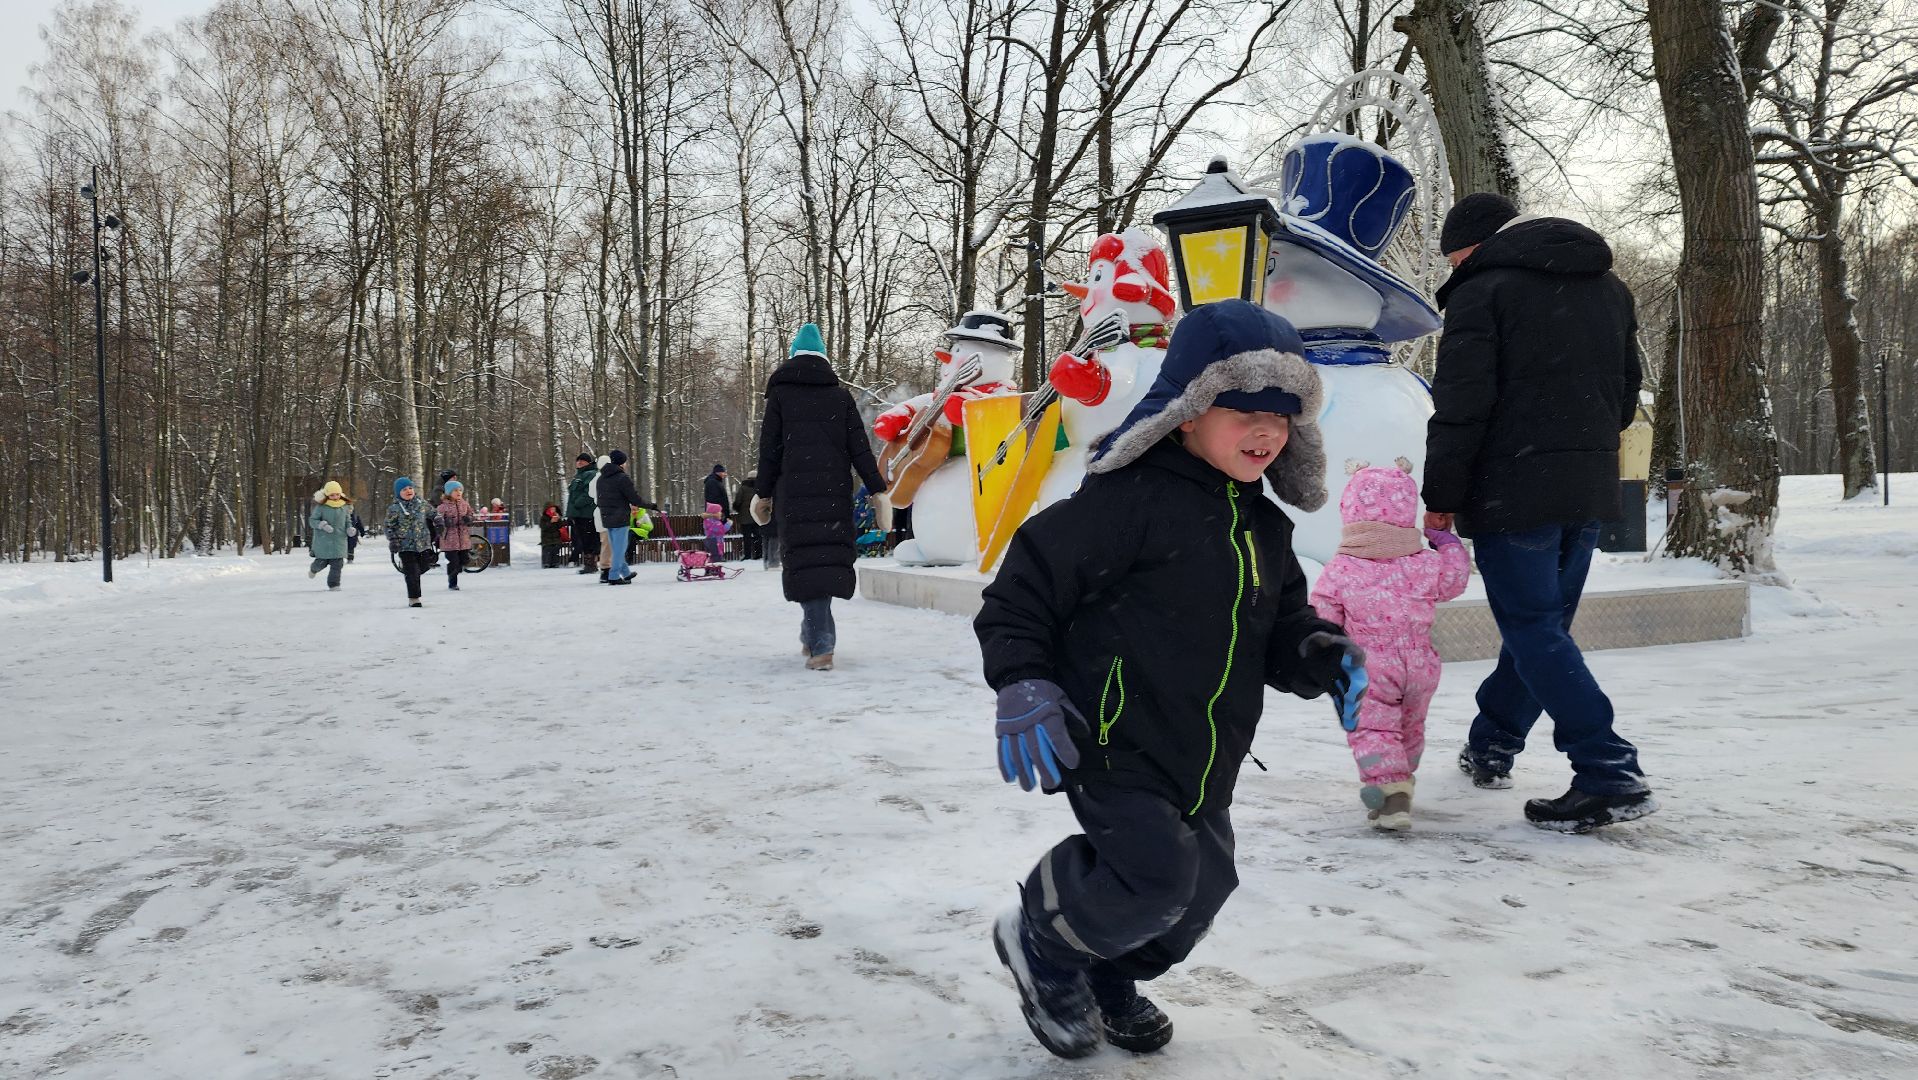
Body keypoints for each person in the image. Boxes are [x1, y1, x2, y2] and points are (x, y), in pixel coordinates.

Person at [972, 300, 1365, 1058]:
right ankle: (1042, 936)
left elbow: (1280, 627)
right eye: (1244, 410)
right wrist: (1022, 681)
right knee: (1155, 877)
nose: (1266, 430)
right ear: (1186, 414)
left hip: (1204, 752)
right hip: (1113, 739)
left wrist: (1318, 652)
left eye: (1282, 416)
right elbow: (1021, 591)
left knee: (1201, 893)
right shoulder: (1127, 503)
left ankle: (1109, 973)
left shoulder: (1264, 527)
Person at [1424, 192, 1653, 832]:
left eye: (1456, 258)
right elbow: (1626, 397)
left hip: (1512, 491)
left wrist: (1441, 497)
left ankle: (1608, 769)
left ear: (1475, 246)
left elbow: (1460, 406)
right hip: (1587, 485)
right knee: (1541, 630)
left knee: (1533, 629)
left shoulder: (1482, 292)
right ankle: (1493, 743)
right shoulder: (1609, 288)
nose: (1455, 270)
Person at [1309, 463, 1472, 830]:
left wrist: (1324, 654)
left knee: (1373, 730)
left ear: (1350, 511)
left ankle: (1390, 791)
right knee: (1410, 726)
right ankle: (1402, 778)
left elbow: (1323, 618)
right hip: (1421, 665)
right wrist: (1444, 541)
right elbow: (1455, 580)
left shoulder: (1342, 568)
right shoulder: (1424, 563)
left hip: (1368, 667)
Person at [752, 323, 889, 671]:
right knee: (823, 561)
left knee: (807, 563)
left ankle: (822, 645)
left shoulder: (781, 397)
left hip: (794, 496)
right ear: (824, 359)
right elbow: (860, 449)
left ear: (792, 358)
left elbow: (769, 452)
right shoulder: (840, 398)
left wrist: (763, 493)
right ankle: (812, 634)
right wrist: (877, 489)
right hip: (833, 496)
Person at [597, 450, 656, 585]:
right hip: (620, 518)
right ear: (622, 463)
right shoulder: (622, 478)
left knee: (616, 548)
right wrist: (652, 506)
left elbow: (600, 499)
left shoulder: (601, 478)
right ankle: (613, 577)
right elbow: (635, 499)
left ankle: (625, 573)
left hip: (606, 517)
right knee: (619, 549)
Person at [386, 477, 435, 608]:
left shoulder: (421, 504)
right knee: (412, 572)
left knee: (424, 567)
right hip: (405, 546)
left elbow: (434, 513)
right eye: (404, 489)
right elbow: (389, 526)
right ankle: (414, 598)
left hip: (423, 544)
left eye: (410, 488)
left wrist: (439, 521)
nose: (408, 491)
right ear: (398, 493)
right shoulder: (395, 508)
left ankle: (412, 573)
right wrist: (393, 540)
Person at [306, 481, 353, 591]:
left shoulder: (345, 507)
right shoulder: (321, 507)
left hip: (339, 541)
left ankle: (334, 584)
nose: (335, 497)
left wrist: (350, 529)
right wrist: (322, 525)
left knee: (338, 564)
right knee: (321, 563)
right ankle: (314, 569)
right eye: (332, 495)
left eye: (337, 494)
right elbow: (312, 521)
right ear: (327, 495)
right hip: (324, 542)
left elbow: (347, 521)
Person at [437, 480, 477, 591]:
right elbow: (437, 519)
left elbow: (471, 514)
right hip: (449, 540)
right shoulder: (443, 506)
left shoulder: (465, 504)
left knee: (465, 559)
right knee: (453, 562)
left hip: (463, 538)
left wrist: (469, 519)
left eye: (460, 490)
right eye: (455, 490)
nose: (458, 492)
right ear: (449, 493)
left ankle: (458, 568)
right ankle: (452, 583)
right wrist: (445, 522)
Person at [566, 452, 600, 575]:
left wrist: (577, 504)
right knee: (583, 540)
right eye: (578, 460)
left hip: (587, 514)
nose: (579, 462)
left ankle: (591, 564)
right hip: (579, 514)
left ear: (589, 462)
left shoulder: (591, 474)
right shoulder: (578, 476)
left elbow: (589, 493)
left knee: (589, 539)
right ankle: (588, 564)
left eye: (583, 460)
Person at [732, 470, 762, 561]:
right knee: (758, 536)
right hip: (757, 516)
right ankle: (759, 554)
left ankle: (748, 555)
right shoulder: (760, 488)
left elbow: (738, 501)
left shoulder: (743, 488)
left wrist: (738, 509)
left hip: (745, 517)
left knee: (747, 537)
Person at [539, 503, 566, 568]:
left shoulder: (556, 516)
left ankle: (555, 562)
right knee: (548, 548)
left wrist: (559, 519)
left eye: (554, 509)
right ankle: (546, 563)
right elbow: (543, 527)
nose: (553, 510)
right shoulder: (544, 518)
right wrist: (550, 522)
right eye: (552, 509)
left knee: (556, 547)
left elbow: (561, 526)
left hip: (556, 538)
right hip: (546, 538)